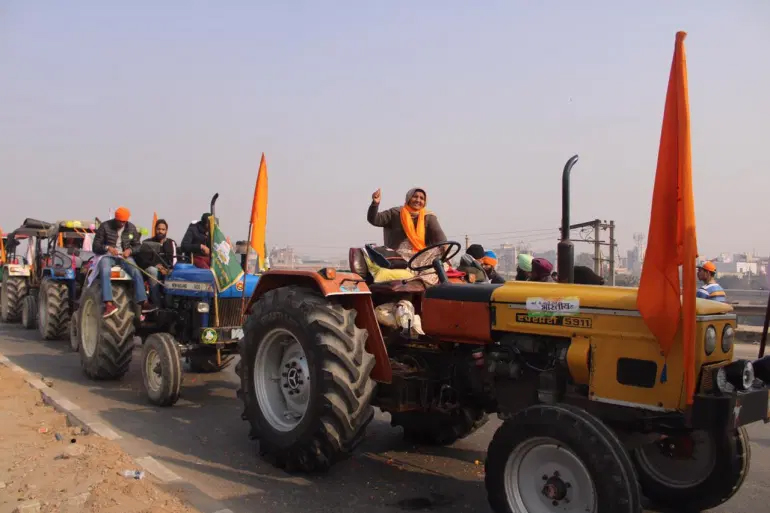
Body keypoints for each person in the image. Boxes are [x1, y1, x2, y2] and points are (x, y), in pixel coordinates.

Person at [92, 207, 155, 318]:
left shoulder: (131, 227)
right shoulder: (105, 226)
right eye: (120, 221)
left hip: (124, 257)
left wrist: (130, 250)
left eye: (124, 221)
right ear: (115, 219)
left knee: (136, 271)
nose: (122, 224)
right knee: (105, 271)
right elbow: (95, 246)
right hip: (107, 256)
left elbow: (138, 246)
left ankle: (143, 303)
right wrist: (107, 248)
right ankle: (109, 304)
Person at [367, 188, 447, 259]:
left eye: (422, 198)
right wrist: (375, 204)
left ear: (425, 202)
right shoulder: (395, 213)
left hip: (423, 258)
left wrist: (445, 250)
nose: (418, 200)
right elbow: (374, 219)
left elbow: (440, 238)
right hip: (397, 258)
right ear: (408, 198)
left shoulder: (429, 217)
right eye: (415, 196)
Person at [135, 219, 177, 307]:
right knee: (152, 270)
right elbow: (142, 259)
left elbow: (174, 260)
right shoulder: (147, 242)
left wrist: (168, 269)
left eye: (163, 229)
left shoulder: (171, 243)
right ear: (155, 229)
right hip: (152, 269)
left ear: (166, 231)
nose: (160, 231)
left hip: (167, 269)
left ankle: (169, 304)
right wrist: (156, 265)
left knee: (172, 274)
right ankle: (156, 304)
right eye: (158, 229)